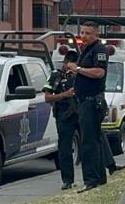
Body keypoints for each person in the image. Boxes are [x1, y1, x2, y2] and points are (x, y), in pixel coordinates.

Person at [69, 21, 110, 192]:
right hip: (84, 100)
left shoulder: (99, 49)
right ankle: (99, 178)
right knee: (94, 140)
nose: (84, 36)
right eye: (82, 33)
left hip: (92, 102)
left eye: (88, 33)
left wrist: (77, 69)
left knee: (88, 142)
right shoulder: (86, 50)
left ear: (96, 35)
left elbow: (100, 72)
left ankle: (91, 180)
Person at [43, 50, 80, 191]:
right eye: (69, 65)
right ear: (65, 63)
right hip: (64, 115)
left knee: (92, 143)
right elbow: (47, 97)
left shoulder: (80, 75)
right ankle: (67, 180)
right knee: (65, 148)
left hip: (80, 113)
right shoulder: (55, 76)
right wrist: (64, 94)